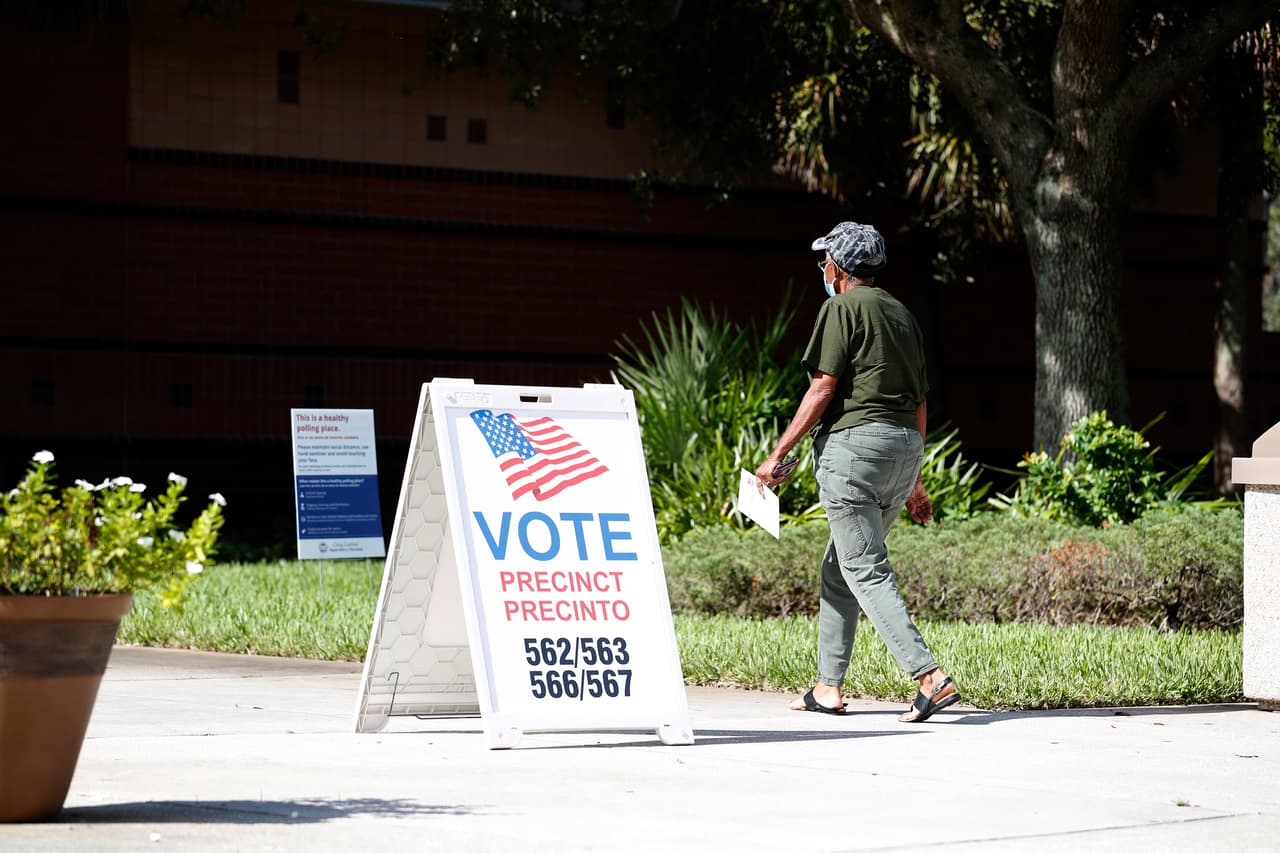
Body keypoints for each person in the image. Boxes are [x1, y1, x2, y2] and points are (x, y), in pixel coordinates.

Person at [754, 221, 959, 724]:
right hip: (902, 449)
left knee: (864, 568)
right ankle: (828, 687)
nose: (822, 269)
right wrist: (914, 478)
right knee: (839, 566)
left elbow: (823, 389)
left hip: (855, 452)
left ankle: (930, 677)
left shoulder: (840, 308)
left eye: (825, 260)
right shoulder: (903, 315)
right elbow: (919, 401)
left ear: (841, 268)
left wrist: (776, 454)